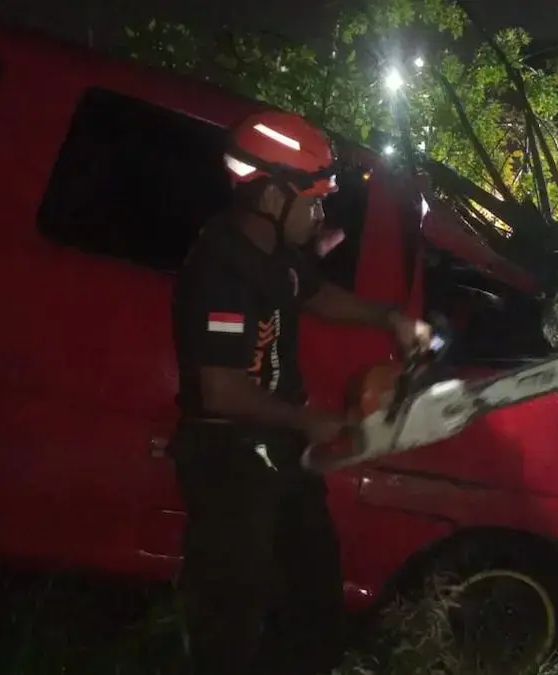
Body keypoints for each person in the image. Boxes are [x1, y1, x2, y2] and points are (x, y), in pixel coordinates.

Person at [169, 110, 432, 675]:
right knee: (233, 614)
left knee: (314, 592)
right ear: (271, 199)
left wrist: (388, 318)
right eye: (312, 202)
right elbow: (220, 390)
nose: (321, 214)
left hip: (276, 449)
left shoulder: (275, 256)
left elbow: (313, 295)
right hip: (228, 460)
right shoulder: (222, 267)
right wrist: (305, 420)